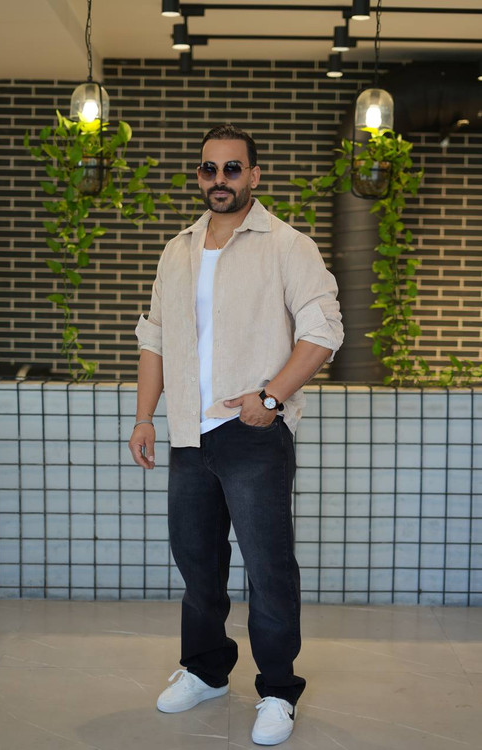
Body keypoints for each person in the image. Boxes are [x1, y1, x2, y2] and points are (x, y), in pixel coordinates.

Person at [129, 124, 343, 746]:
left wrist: (271, 398)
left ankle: (277, 689)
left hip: (253, 433)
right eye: (208, 169)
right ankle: (206, 670)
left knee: (268, 569)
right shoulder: (178, 250)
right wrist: (145, 417)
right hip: (187, 434)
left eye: (231, 168)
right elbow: (154, 339)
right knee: (197, 563)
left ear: (254, 175)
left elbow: (324, 330)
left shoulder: (288, 246)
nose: (218, 179)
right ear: (198, 176)